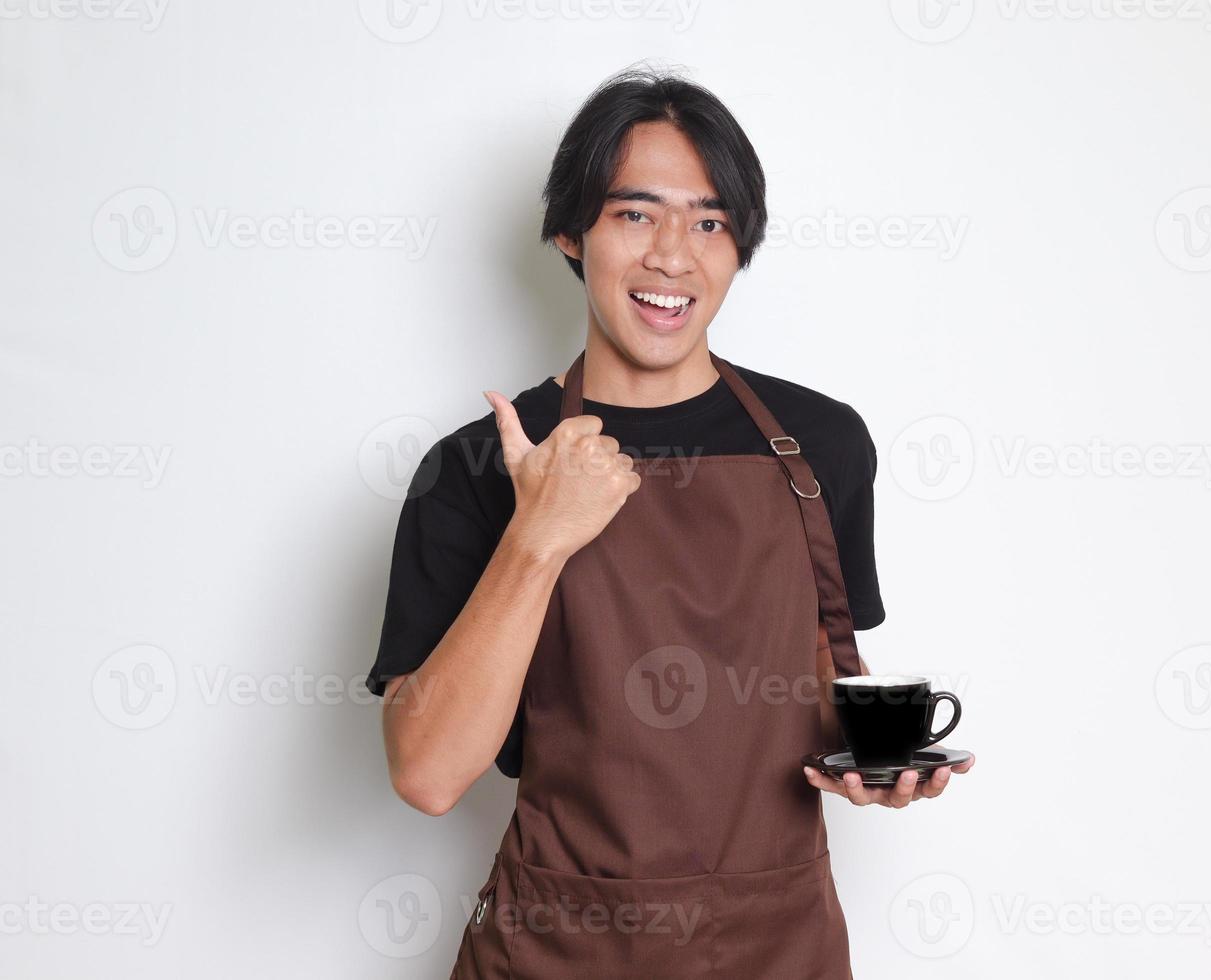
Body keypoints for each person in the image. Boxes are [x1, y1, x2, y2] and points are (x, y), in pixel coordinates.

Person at [366, 65, 972, 979]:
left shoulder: (824, 446)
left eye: (710, 220)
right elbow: (428, 774)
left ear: (739, 246)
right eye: (636, 214)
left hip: (778, 942)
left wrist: (873, 765)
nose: (673, 256)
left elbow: (798, 679)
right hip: (558, 948)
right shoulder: (475, 468)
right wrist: (537, 536)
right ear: (572, 231)